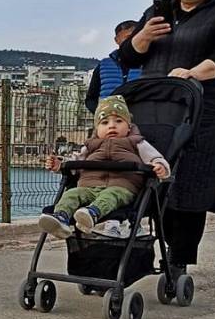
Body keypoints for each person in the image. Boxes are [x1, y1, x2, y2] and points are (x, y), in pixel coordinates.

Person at [118, 0, 215, 274]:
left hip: (203, 107)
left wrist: (193, 73)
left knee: (191, 182)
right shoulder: (157, 11)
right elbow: (128, 57)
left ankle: (178, 259)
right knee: (149, 178)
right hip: (154, 107)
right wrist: (143, 37)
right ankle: (135, 250)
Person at [39, 95, 170, 239]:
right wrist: (60, 164)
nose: (112, 126)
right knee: (72, 194)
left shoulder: (136, 142)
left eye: (119, 121)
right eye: (105, 122)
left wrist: (160, 166)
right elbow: (75, 162)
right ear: (97, 129)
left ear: (129, 127)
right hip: (88, 187)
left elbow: (154, 157)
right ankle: (61, 217)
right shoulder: (91, 146)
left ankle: (92, 213)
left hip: (121, 187)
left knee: (110, 196)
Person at [84, 21, 143, 112]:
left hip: (143, 117)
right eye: (127, 37)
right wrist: (102, 114)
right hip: (112, 118)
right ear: (116, 40)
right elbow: (91, 98)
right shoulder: (104, 66)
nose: (132, 41)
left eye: (136, 36)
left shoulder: (151, 63)